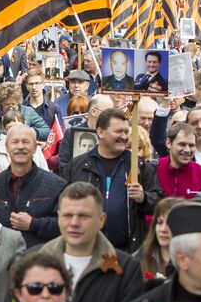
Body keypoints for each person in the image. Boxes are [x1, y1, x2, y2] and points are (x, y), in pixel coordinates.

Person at [65, 107, 163, 251]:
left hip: (127, 253)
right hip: (86, 251)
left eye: (126, 132)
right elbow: (63, 204)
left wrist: (144, 198)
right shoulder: (77, 166)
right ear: (100, 132)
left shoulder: (138, 165)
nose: (124, 136)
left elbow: (160, 203)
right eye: (118, 131)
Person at [0, 122, 64, 249]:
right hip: (2, 261)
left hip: (40, 259)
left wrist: (34, 224)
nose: (20, 147)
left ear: (35, 148)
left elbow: (66, 224)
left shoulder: (56, 185)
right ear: (6, 147)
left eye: (26, 142)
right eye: (15, 142)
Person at [157, 119, 201, 199]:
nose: (187, 150)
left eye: (191, 145)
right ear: (169, 143)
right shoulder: (153, 170)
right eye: (182, 144)